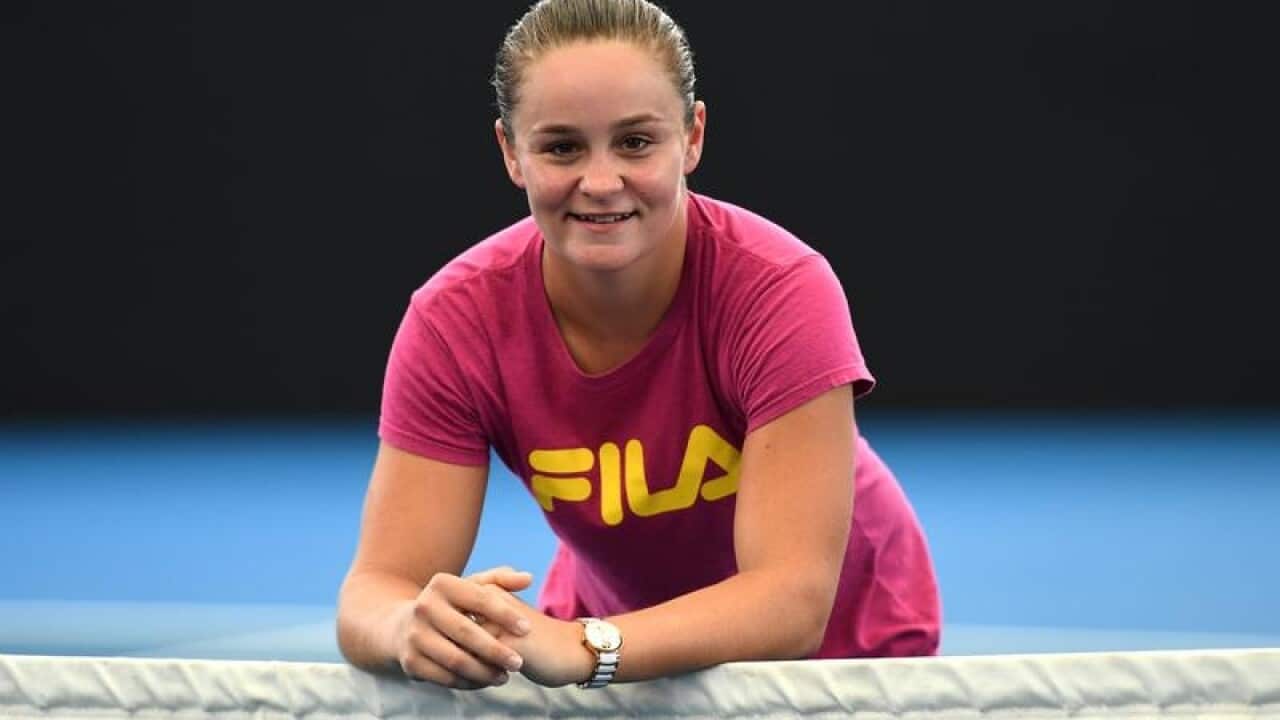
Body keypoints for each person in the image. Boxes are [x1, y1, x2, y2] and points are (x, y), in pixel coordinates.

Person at [336, 0, 940, 691]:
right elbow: (374, 590)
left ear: (693, 136)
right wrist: (409, 624)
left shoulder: (782, 290)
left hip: (845, 646)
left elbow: (793, 601)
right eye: (561, 146)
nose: (600, 182)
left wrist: (588, 647)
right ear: (511, 152)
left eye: (635, 142)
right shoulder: (453, 322)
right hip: (609, 634)